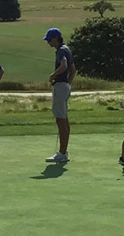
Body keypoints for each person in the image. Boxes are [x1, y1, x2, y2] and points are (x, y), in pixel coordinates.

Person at [44, 28, 75, 163]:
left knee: (60, 119)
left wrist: (53, 76)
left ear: (56, 38)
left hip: (60, 86)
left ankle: (62, 153)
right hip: (65, 85)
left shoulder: (61, 50)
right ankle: (63, 151)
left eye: (49, 40)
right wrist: (68, 83)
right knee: (64, 118)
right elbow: (73, 69)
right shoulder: (66, 49)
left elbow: (64, 66)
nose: (48, 43)